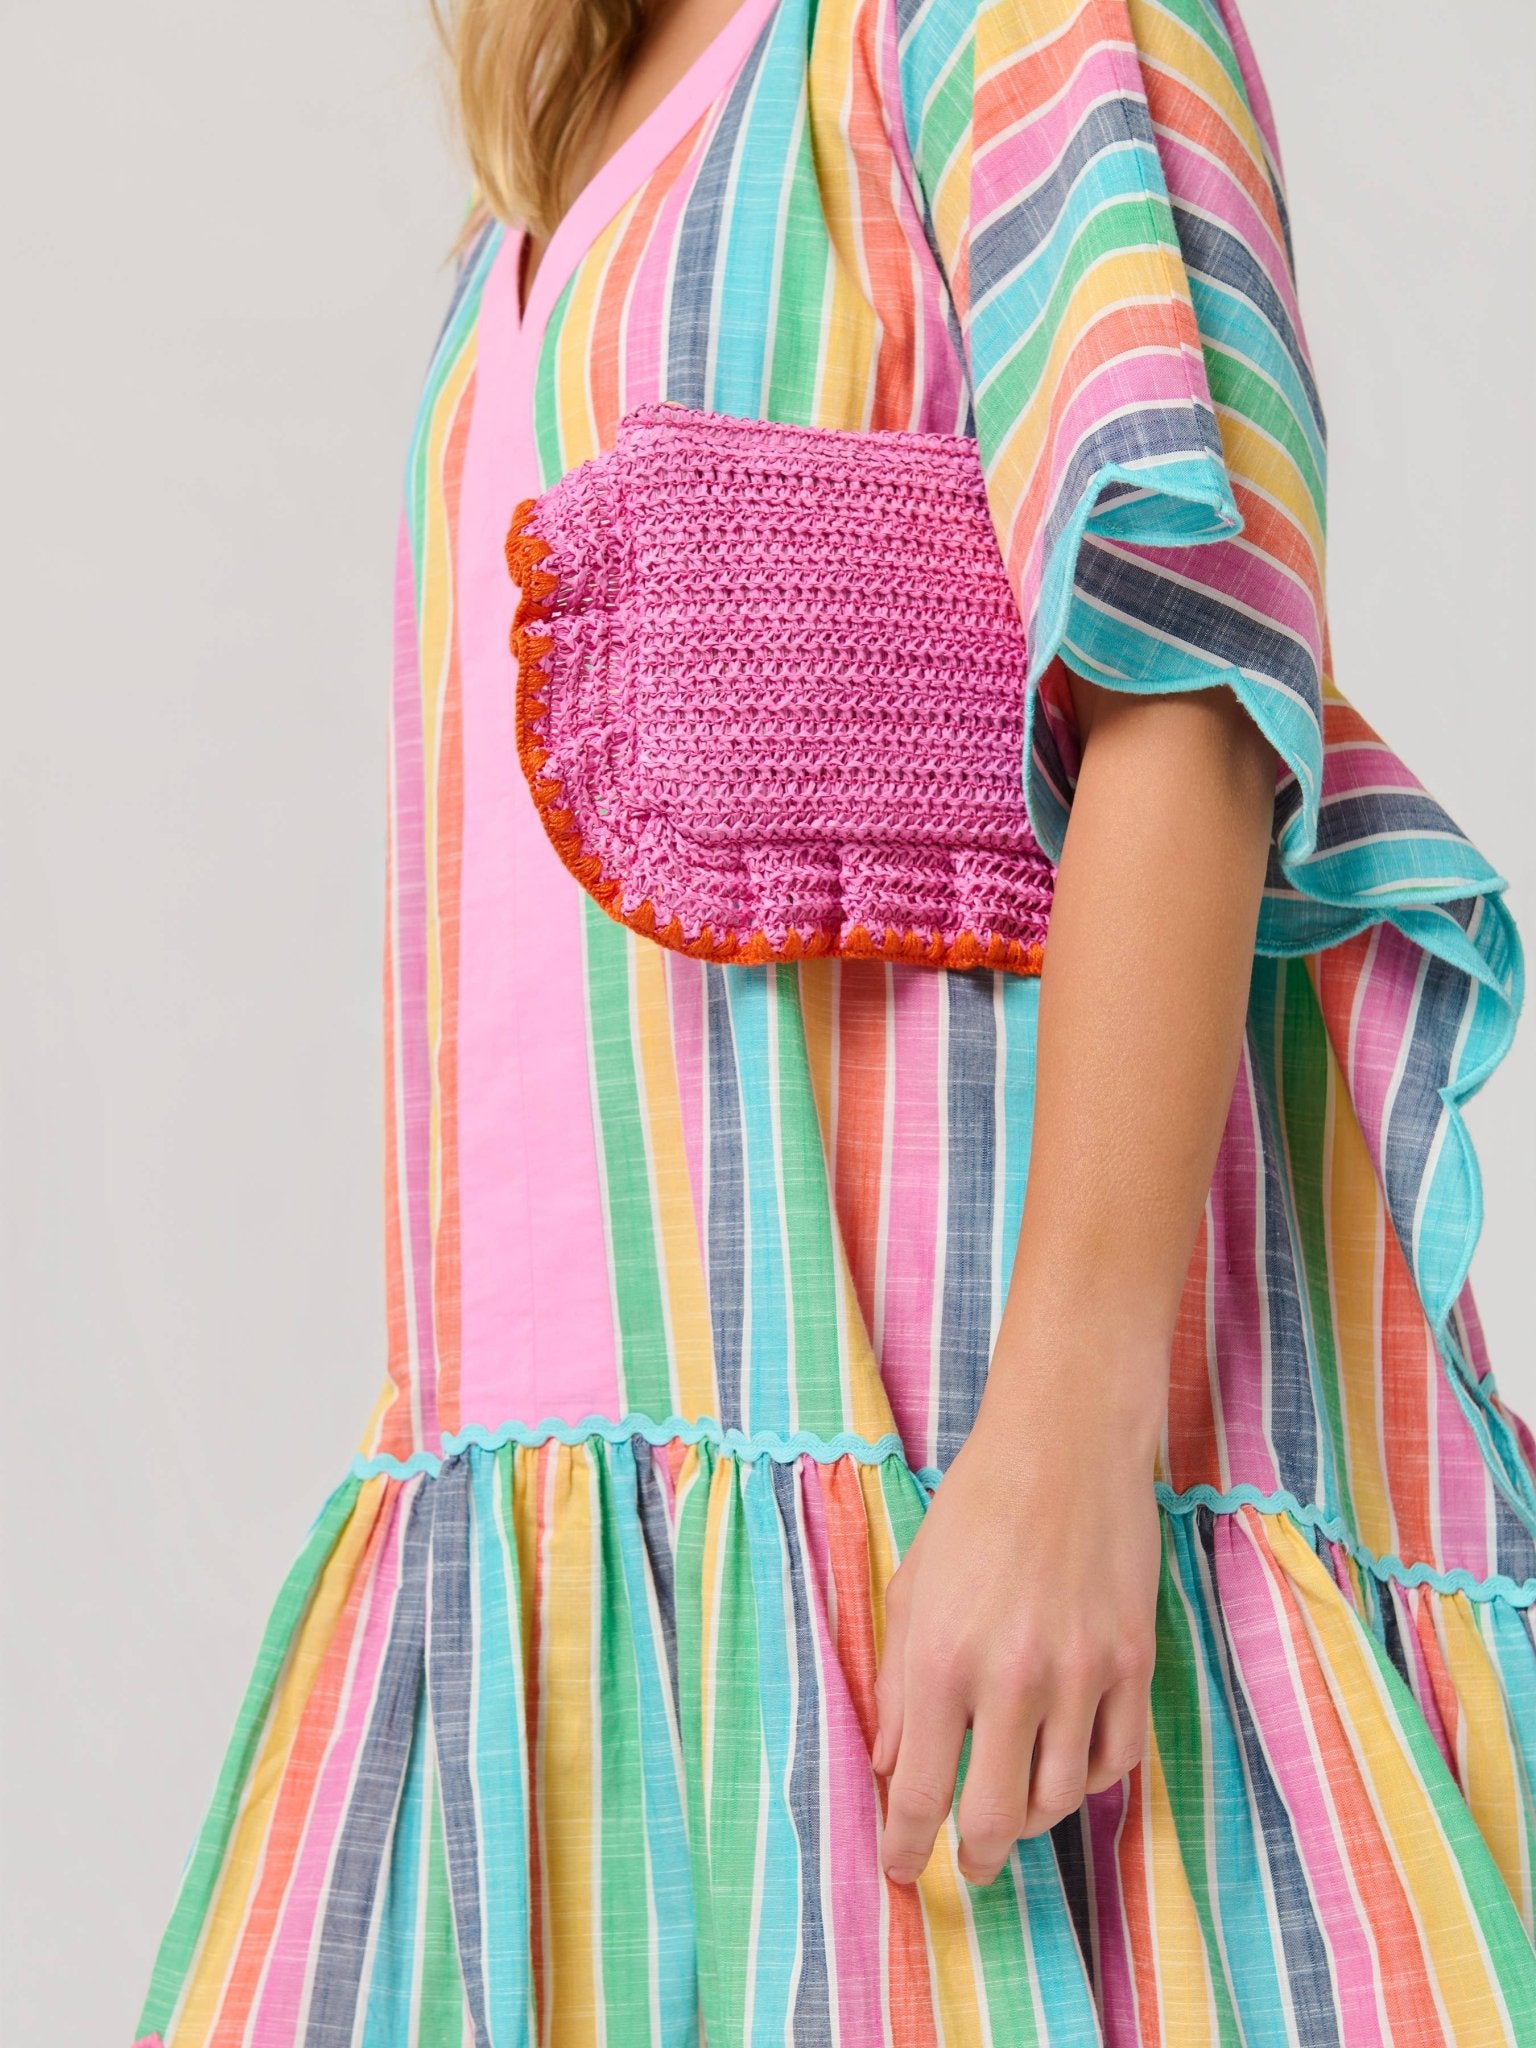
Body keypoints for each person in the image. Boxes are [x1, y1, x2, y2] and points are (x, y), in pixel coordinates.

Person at [133, 0, 1536, 2040]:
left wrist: (1063, 1434)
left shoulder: (1014, 24)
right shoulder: (573, 149)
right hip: (558, 1572)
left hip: (943, 1556)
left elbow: (1198, 678)